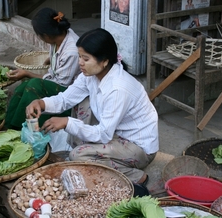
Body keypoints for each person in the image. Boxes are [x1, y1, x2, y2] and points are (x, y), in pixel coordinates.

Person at [26, 28, 159, 194]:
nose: (80, 62)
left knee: (77, 156)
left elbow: (104, 134)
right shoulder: (89, 75)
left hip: (138, 148)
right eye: (79, 56)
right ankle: (90, 152)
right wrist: (41, 103)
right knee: (82, 102)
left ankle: (135, 176)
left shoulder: (118, 88)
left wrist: (67, 122)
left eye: (85, 58)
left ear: (104, 61)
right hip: (116, 133)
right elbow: (66, 99)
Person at [4, 7, 80, 130]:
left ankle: (21, 128)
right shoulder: (59, 35)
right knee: (23, 86)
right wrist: (51, 59)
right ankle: (8, 124)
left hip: (69, 95)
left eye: (39, 35)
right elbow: (58, 57)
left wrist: (28, 73)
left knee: (33, 85)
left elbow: (60, 84)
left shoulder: (72, 52)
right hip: (59, 83)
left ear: (46, 36)